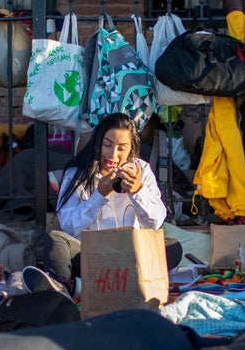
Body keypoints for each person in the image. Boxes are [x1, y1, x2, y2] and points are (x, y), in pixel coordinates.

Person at [23, 113, 180, 296]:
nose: (113, 154)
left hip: (131, 256)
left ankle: (83, 287)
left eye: (122, 148)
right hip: (91, 256)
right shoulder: (77, 173)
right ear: (97, 143)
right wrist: (99, 195)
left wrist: (138, 190)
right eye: (107, 145)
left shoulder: (142, 170)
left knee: (173, 247)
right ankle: (63, 291)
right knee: (55, 240)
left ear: (131, 150)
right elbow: (68, 226)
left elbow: (155, 222)